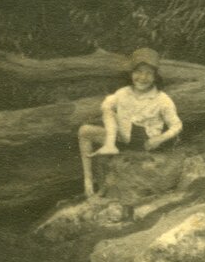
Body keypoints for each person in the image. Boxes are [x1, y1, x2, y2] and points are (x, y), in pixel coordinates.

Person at [77, 48, 182, 197]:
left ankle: (110, 147)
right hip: (124, 138)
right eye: (138, 72)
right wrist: (109, 112)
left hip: (144, 140)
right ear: (131, 74)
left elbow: (177, 125)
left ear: (155, 77)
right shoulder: (123, 93)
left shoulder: (162, 99)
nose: (142, 77)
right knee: (85, 131)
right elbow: (106, 106)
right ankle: (88, 180)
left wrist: (160, 138)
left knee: (109, 113)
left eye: (148, 73)